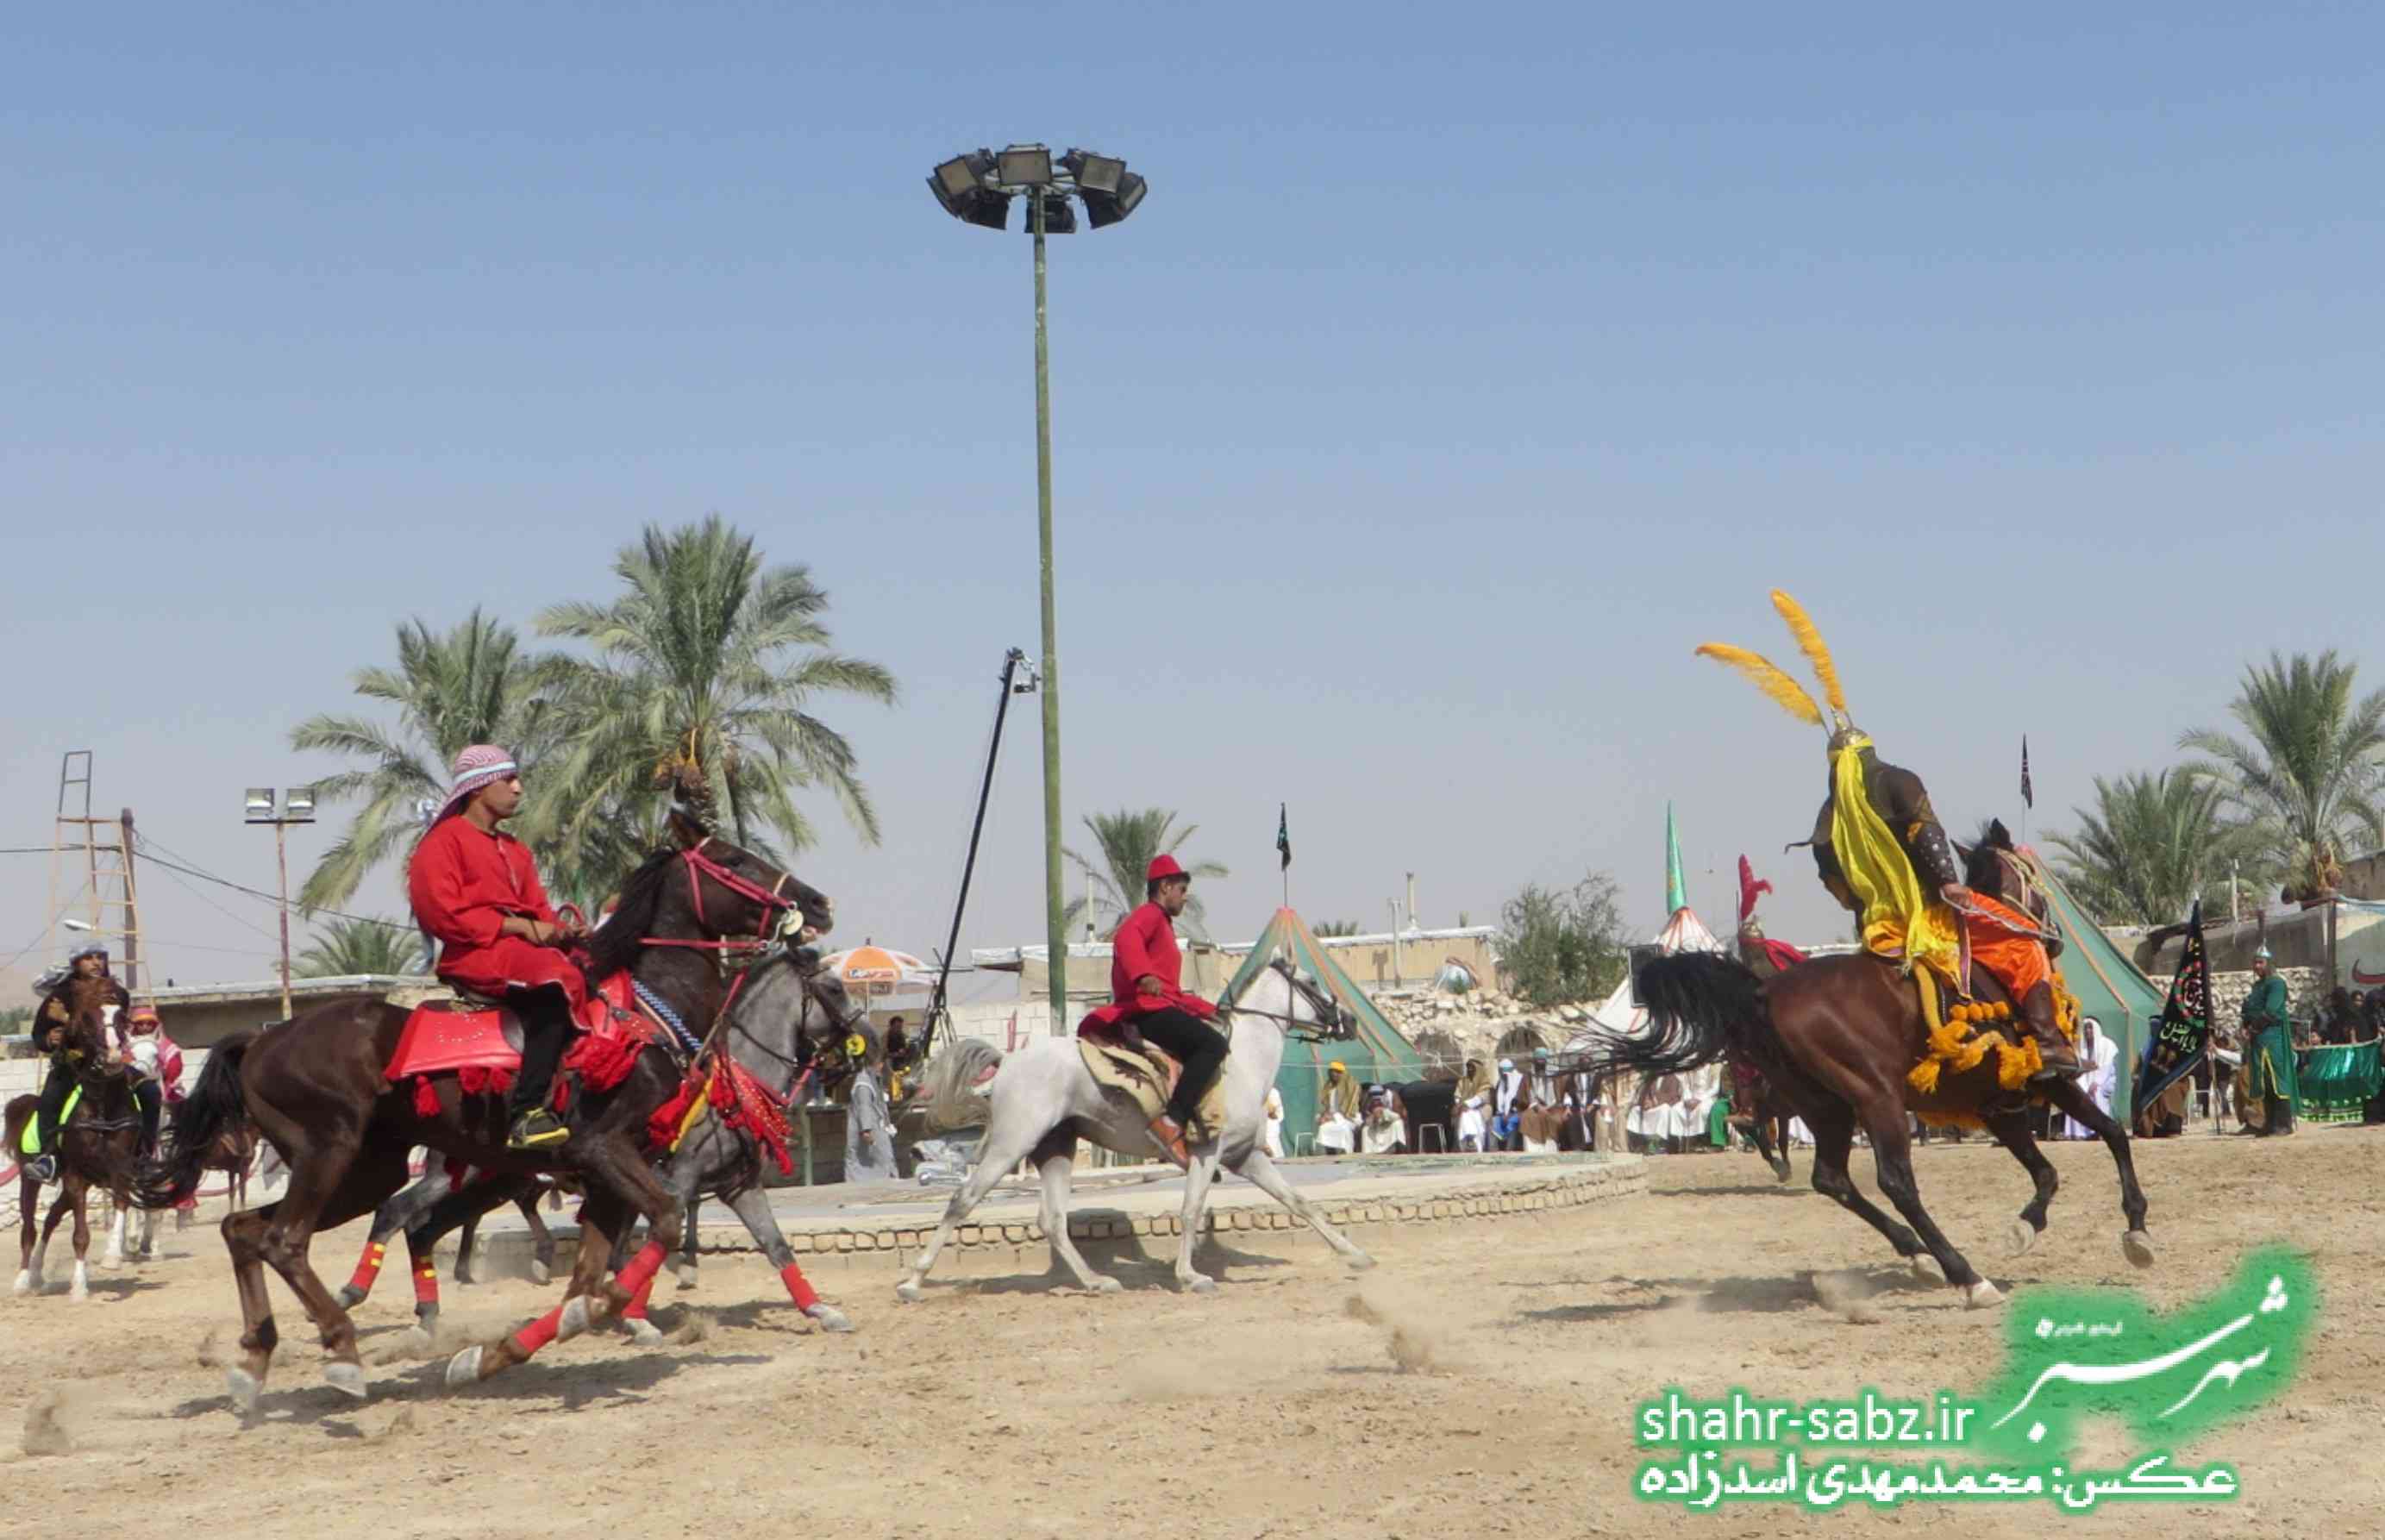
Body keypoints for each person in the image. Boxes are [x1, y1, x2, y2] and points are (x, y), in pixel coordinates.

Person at [406, 745, 589, 1151]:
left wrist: (563, 932)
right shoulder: (442, 843)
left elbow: (540, 910)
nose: (519, 789)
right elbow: (441, 914)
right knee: (555, 986)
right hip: (476, 953)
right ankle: (526, 1115)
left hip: (520, 951)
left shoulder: (517, 850)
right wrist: (518, 926)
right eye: (509, 780)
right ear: (478, 788)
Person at [1074, 855, 1227, 1168]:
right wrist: (1143, 974)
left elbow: (1173, 992)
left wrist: (1210, 1009)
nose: (1185, 897)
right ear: (1165, 887)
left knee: (1209, 1039)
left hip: (1159, 1006)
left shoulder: (1164, 926)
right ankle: (1172, 1121)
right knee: (1213, 1045)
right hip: (1146, 1011)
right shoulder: (1150, 915)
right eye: (1182, 890)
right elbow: (1127, 938)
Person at [23, 941, 131, 1184]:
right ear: (76, 964)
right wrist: (50, 1040)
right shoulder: (60, 996)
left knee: (150, 1093)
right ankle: (48, 1159)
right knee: (49, 1101)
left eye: (100, 957)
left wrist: (69, 1020)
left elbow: (118, 1027)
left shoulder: (118, 994)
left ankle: (146, 1153)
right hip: (73, 1066)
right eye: (88, 958)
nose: (96, 962)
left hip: (111, 1064)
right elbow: (39, 1034)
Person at [2240, 946, 2297, 1136]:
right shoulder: (2257, 987)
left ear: (2269, 963)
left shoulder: (2276, 984)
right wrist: (2245, 1025)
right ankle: (2268, 1123)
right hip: (2258, 1040)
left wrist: (2253, 1029)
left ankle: (2283, 1123)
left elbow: (2271, 1011)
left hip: (2273, 1038)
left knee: (2276, 1080)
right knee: (2263, 1081)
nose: (2257, 966)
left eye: (2260, 962)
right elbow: (2249, 1010)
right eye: (2255, 962)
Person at [122, 1004, 184, 1155]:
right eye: (141, 1024)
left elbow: (174, 1064)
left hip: (157, 1084)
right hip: (132, 1085)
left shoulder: (164, 1044)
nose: (145, 1027)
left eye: (149, 1024)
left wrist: (167, 1073)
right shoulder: (126, 1044)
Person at [843, 1047, 898, 1182]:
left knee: (882, 1160)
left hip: (878, 1129)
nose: (881, 1066)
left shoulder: (872, 1079)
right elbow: (864, 1106)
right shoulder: (863, 1083)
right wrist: (866, 1130)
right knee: (872, 1161)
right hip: (869, 1131)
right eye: (879, 1062)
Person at [1316, 1061, 1360, 1155]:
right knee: (1324, 1128)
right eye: (1332, 1071)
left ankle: (1346, 1152)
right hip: (1333, 1118)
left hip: (1348, 1118)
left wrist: (1333, 1117)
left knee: (1344, 1129)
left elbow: (1349, 1110)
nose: (1334, 1074)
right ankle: (1331, 1154)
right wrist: (1324, 1116)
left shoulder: (1352, 1086)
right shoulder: (1329, 1087)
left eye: (1337, 1072)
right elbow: (1328, 1106)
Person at [1492, 1057, 1526, 1151]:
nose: (1504, 1076)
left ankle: (1509, 1148)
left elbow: (1518, 1099)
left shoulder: (1520, 1080)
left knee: (1512, 1121)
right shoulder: (1500, 1083)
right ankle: (1496, 1150)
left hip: (1518, 1111)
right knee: (1495, 1122)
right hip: (1503, 1114)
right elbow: (1499, 1102)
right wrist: (1501, 1114)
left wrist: (1510, 1113)